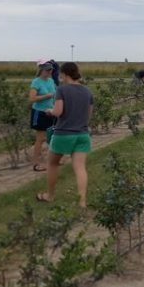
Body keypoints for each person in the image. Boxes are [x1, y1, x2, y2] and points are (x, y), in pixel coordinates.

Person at [36, 62, 93, 208]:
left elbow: (58, 112)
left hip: (63, 134)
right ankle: (82, 202)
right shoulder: (87, 91)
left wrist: (49, 111)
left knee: (52, 164)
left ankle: (50, 195)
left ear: (65, 74)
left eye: (60, 74)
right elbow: (88, 115)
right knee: (80, 167)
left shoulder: (62, 90)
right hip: (82, 134)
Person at [29, 60, 57, 172]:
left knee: (51, 137)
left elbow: (55, 95)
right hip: (39, 112)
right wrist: (46, 96)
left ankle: (51, 161)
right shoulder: (36, 82)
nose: (50, 72)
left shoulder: (51, 81)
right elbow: (32, 99)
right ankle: (36, 164)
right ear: (42, 70)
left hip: (50, 112)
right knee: (40, 139)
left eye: (51, 70)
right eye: (48, 70)